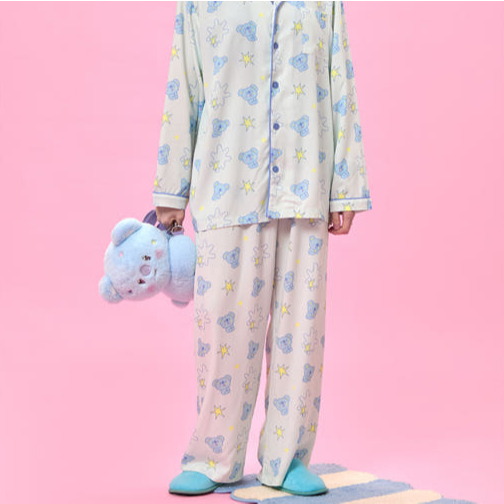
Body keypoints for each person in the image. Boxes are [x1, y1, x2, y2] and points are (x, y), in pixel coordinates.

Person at [152, 0, 372, 496]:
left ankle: (286, 458)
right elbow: (183, 87)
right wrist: (171, 190)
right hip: (226, 185)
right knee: (222, 330)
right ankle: (214, 456)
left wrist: (346, 187)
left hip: (304, 185)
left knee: (301, 335)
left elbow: (341, 85)